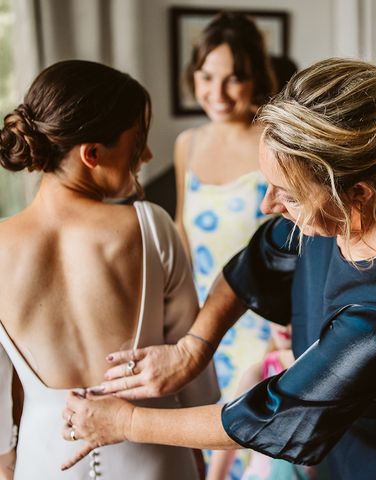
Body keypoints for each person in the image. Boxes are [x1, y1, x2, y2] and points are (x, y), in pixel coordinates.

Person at [62, 58, 376, 479]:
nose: (267, 205)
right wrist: (192, 349)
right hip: (349, 438)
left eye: (289, 196)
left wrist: (124, 421)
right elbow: (257, 258)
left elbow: (270, 415)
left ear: (356, 197)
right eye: (270, 185)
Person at [0, 59, 219, 479]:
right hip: (155, 455)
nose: (148, 156)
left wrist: (9, 464)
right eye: (138, 143)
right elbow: (195, 371)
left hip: (44, 461)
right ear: (93, 154)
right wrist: (198, 440)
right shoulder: (150, 227)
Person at [174, 12, 276, 423]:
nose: (217, 92)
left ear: (255, 78)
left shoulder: (273, 141)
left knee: (252, 443)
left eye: (233, 78)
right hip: (202, 322)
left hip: (264, 325)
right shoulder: (188, 144)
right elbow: (182, 232)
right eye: (206, 76)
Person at [208, 324, 319, 480]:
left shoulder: (327, 371)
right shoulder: (260, 373)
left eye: (292, 313)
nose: (284, 325)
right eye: (278, 312)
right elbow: (228, 438)